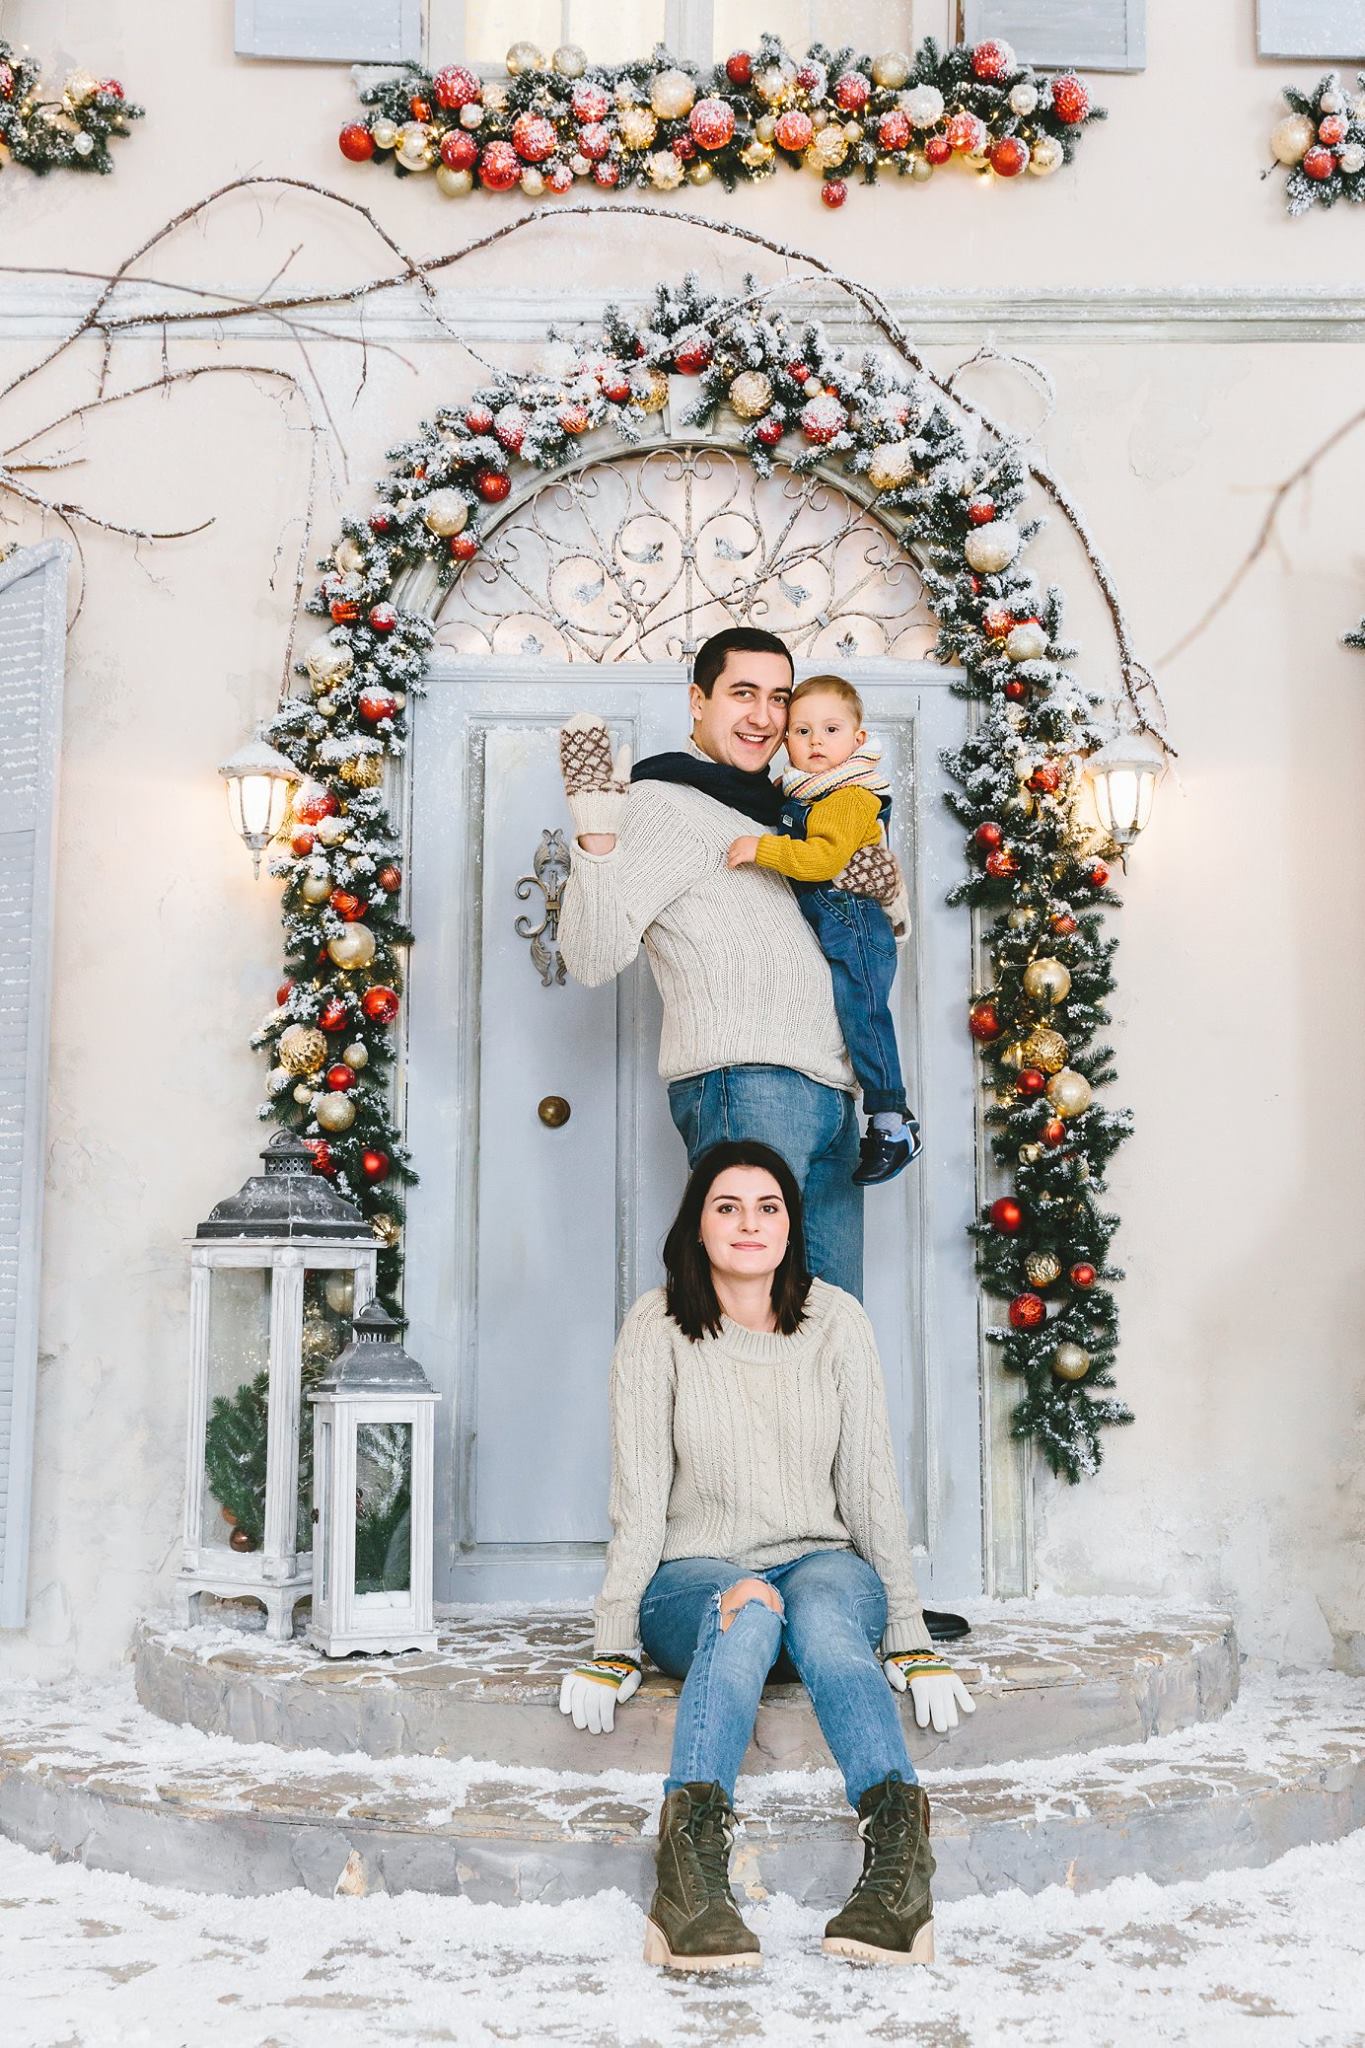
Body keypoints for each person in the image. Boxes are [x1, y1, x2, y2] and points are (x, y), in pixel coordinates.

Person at [557, 1142, 974, 1973]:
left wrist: (906, 1632)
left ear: (789, 1225)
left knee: (820, 1610)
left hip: (821, 1564)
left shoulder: (836, 1321)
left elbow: (869, 1486)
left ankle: (899, 1874)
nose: (749, 1223)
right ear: (697, 1224)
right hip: (695, 1579)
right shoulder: (657, 1325)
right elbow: (638, 1496)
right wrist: (612, 1642)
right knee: (747, 1604)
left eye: (768, 1207)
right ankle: (688, 1887)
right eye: (727, 1207)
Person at [556, 626, 902, 1301]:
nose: (764, 717)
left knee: (834, 1321)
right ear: (698, 700)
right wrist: (596, 837)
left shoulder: (792, 814)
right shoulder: (661, 803)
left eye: (779, 698)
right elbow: (592, 957)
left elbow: (842, 947)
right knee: (750, 1316)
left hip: (833, 1093)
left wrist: (886, 899)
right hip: (747, 1086)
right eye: (743, 693)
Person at [726, 673, 921, 1187]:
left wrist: (761, 848)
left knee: (865, 1015)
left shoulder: (848, 796)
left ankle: (892, 1121)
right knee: (849, 1017)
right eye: (802, 731)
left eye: (831, 730)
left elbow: (822, 860)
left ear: (858, 739)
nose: (816, 742)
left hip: (853, 919)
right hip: (835, 920)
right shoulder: (803, 791)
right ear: (785, 740)